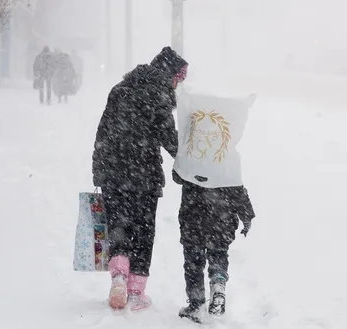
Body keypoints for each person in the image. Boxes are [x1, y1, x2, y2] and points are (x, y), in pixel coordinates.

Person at [92, 46, 188, 311]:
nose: (176, 85)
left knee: (119, 224)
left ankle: (119, 277)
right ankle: (135, 291)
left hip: (113, 172)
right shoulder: (159, 96)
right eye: (177, 79)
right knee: (144, 230)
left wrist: (98, 171)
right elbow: (169, 139)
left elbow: (103, 132)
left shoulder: (120, 89)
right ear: (168, 74)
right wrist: (190, 165)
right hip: (144, 174)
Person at [172, 93, 257, 323]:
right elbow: (239, 191)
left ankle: (196, 303)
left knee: (193, 260)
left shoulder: (192, 157)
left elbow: (177, 177)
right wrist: (247, 216)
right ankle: (218, 284)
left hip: (192, 218)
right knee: (219, 254)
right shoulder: (227, 161)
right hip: (222, 219)